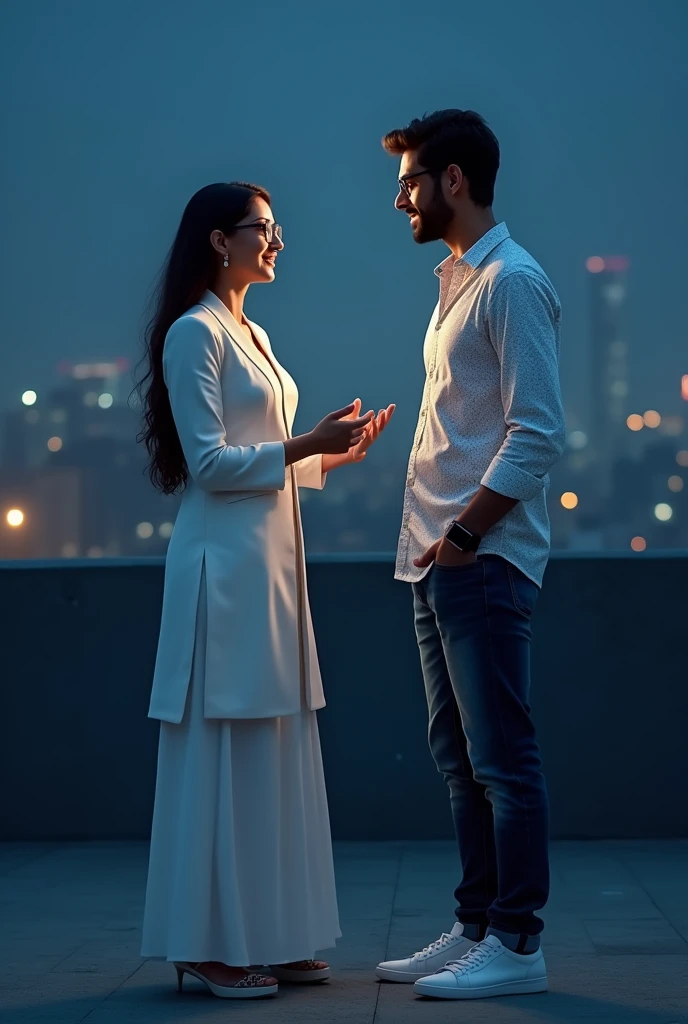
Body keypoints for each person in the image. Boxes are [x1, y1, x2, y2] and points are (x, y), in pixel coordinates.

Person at [137, 181, 394, 1000]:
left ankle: (270, 934)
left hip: (272, 572)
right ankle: (207, 944)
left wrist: (329, 454)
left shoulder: (252, 330)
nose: (278, 241)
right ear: (220, 240)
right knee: (223, 753)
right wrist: (302, 443)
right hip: (225, 577)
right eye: (265, 229)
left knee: (271, 751)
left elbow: (265, 451)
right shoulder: (193, 335)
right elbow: (211, 464)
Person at [375, 110, 565, 1001]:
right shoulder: (457, 282)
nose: (401, 196)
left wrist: (461, 535)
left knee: (502, 759)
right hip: (435, 559)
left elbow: (534, 439)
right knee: (459, 761)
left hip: (478, 560)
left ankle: (518, 942)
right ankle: (478, 922)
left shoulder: (512, 283)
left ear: (454, 179)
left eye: (411, 179)